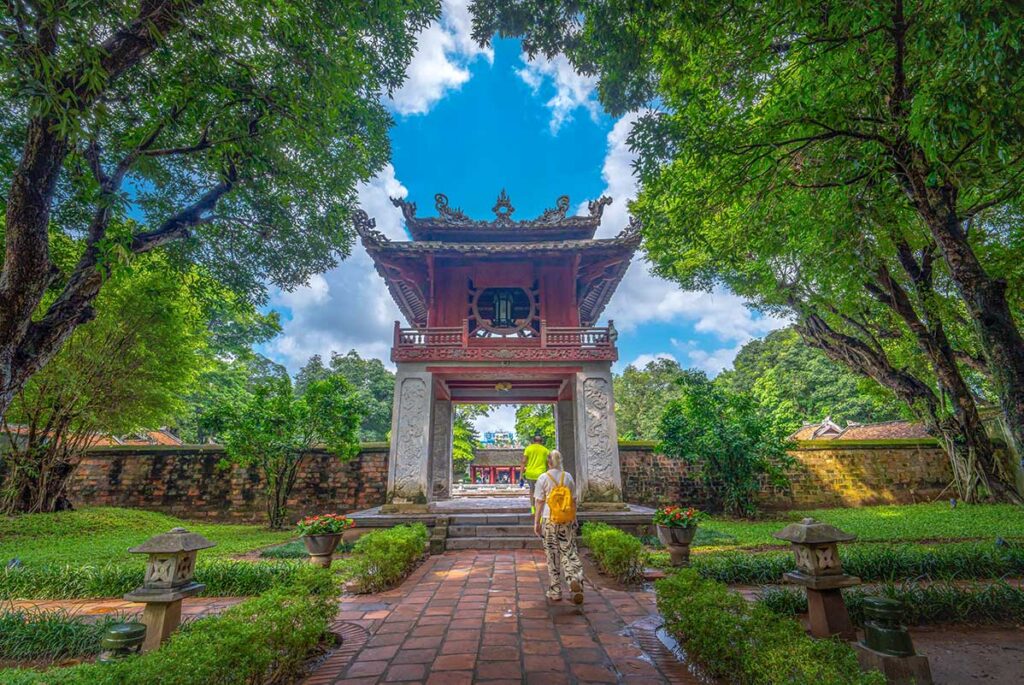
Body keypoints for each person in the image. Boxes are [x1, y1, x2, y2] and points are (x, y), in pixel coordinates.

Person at [533, 449, 584, 604]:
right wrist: (574, 518)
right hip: (566, 519)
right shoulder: (567, 477)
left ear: (548, 462)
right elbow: (574, 500)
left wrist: (537, 522)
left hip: (549, 519)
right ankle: (574, 579)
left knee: (552, 554)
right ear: (560, 461)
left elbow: (539, 502)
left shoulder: (543, 478)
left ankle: (555, 590)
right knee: (568, 551)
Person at [521, 434, 549, 512]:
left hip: (530, 473)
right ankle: (541, 509)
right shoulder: (545, 450)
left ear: (533, 441)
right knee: (542, 491)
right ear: (541, 441)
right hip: (541, 473)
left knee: (532, 490)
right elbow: (548, 462)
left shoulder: (528, 449)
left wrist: (521, 475)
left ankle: (533, 507)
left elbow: (523, 461)